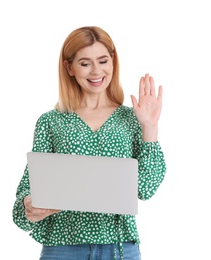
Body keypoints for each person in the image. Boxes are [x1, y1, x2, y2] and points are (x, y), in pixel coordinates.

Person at [12, 26, 166, 260]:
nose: (96, 71)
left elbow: (145, 188)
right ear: (69, 67)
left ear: (113, 62)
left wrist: (150, 126)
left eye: (103, 60)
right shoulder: (51, 122)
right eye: (85, 63)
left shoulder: (132, 119)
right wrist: (29, 205)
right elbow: (26, 197)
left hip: (119, 247)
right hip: (62, 247)